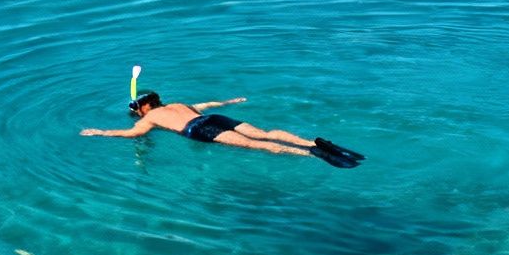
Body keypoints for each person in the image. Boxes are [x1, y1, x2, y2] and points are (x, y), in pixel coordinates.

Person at [81, 91, 364, 167]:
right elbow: (207, 103)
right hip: (212, 117)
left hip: (197, 129)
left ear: (143, 107)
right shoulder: (179, 103)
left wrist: (99, 133)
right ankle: (312, 142)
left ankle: (313, 155)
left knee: (255, 146)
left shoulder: (149, 120)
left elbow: (132, 134)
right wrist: (229, 101)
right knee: (264, 133)